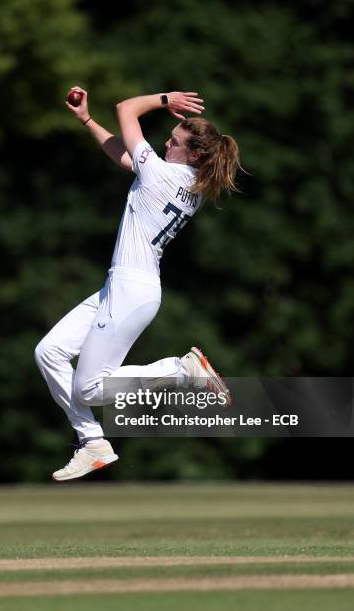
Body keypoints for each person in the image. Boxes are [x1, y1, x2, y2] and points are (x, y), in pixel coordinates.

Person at [35, 87, 241, 481]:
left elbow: (126, 109)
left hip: (132, 289)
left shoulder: (161, 173)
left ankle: (181, 371)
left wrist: (165, 100)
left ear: (194, 154)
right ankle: (92, 441)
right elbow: (125, 157)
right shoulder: (184, 183)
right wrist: (86, 121)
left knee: (89, 391)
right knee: (49, 352)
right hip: (124, 288)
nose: (167, 141)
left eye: (175, 140)